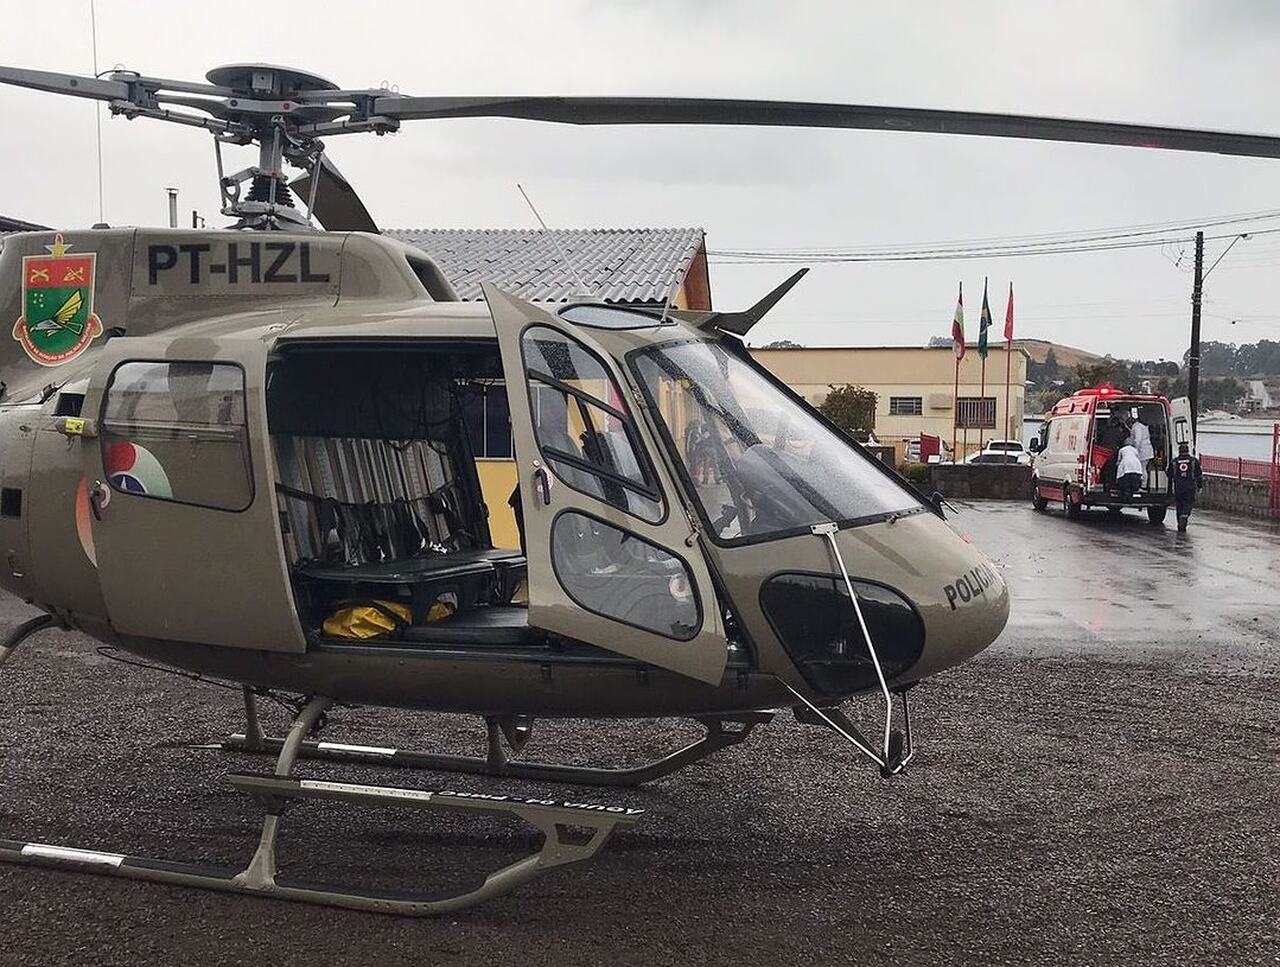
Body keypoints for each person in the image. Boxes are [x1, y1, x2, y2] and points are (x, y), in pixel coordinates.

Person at [1170, 442, 1203, 532]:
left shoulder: (1174, 461)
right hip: (1190, 487)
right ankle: (1184, 517)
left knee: (1179, 505)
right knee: (1188, 503)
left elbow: (1169, 474)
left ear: (1179, 451)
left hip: (1178, 487)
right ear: (1188, 451)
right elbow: (1199, 475)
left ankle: (1180, 524)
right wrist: (1200, 486)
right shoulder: (1193, 461)